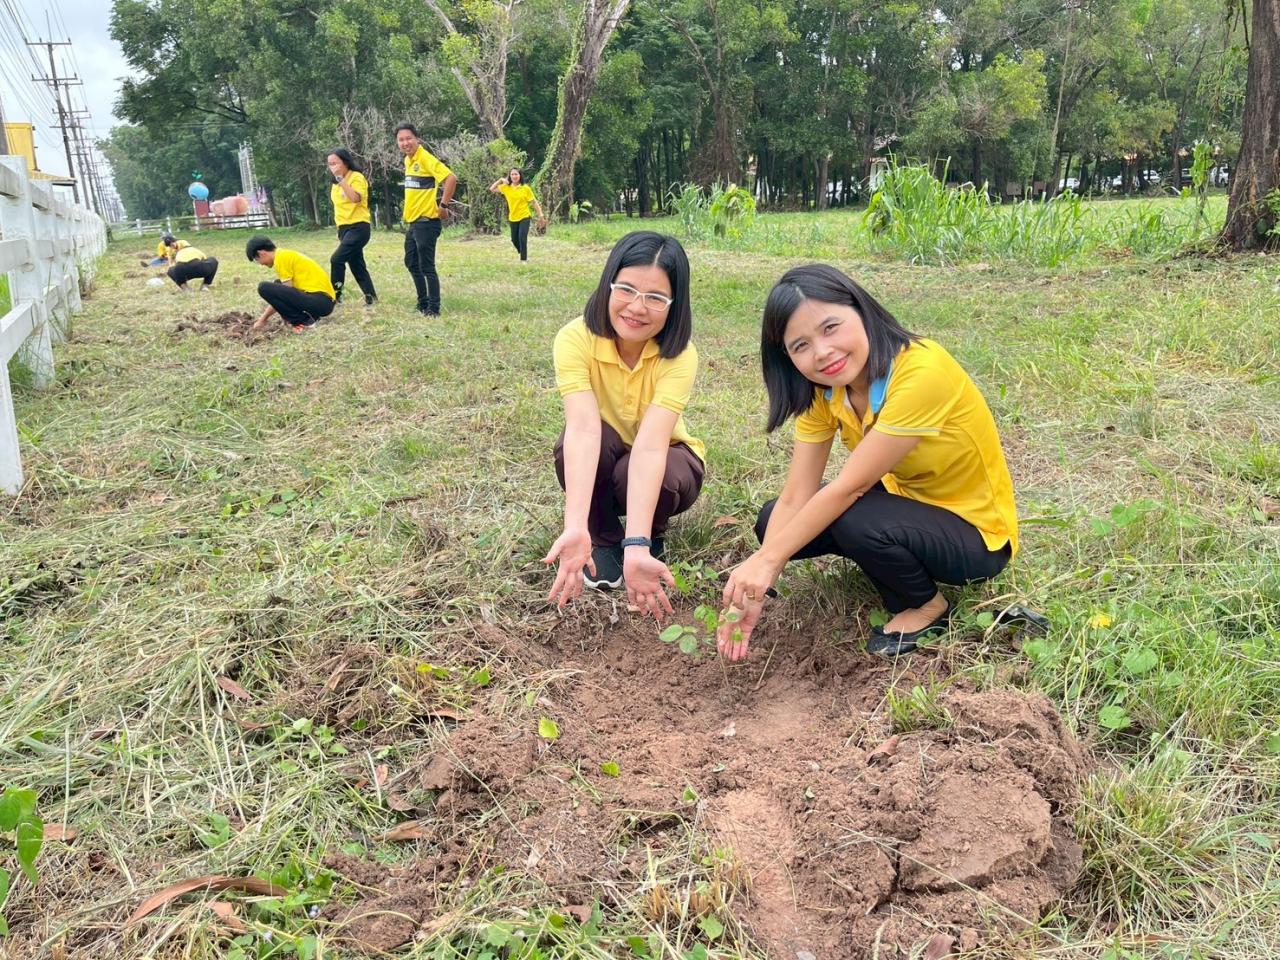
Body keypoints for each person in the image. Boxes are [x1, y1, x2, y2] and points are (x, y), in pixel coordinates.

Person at [718, 264, 1018, 660]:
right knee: (773, 518)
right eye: (800, 346)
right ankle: (892, 558)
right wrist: (759, 581)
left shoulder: (922, 371)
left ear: (860, 309)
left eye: (830, 327)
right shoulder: (826, 391)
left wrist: (770, 561)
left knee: (850, 513)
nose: (822, 352)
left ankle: (927, 607)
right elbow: (796, 495)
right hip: (907, 506)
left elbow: (851, 488)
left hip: (977, 536)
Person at [544, 231, 704, 621]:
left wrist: (638, 543)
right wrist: (575, 525)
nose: (637, 307)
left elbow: (651, 446)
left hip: (665, 458)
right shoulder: (574, 339)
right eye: (627, 289)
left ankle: (648, 535)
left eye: (656, 297)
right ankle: (601, 536)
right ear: (608, 284)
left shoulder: (680, 356)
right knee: (574, 445)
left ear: (674, 305)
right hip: (605, 452)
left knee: (650, 471)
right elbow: (583, 429)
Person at [395, 123, 457, 316]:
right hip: (414, 222)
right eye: (401, 140)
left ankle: (433, 309)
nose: (405, 143)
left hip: (427, 222)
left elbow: (451, 178)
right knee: (411, 262)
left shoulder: (425, 158)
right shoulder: (408, 160)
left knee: (426, 266)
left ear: (417, 139)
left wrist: (443, 206)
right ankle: (423, 302)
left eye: (408, 138)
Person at [245, 235, 336, 333]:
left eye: (256, 260)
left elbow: (285, 295)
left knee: (264, 288)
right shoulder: (284, 254)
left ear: (261, 253)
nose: (260, 264)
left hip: (321, 302)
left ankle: (303, 321)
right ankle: (311, 316)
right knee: (278, 284)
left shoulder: (281, 258)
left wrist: (263, 319)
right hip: (323, 301)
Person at [326, 147, 377, 306]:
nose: (332, 167)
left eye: (335, 163)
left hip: (358, 227)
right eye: (330, 164)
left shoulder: (356, 177)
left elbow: (355, 198)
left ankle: (335, 297)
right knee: (356, 264)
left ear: (345, 162)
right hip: (344, 229)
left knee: (336, 259)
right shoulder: (335, 184)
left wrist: (341, 179)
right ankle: (371, 297)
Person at [488, 168, 546, 261]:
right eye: (512, 174)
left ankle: (523, 259)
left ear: (520, 176)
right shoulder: (506, 187)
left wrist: (541, 215)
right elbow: (492, 189)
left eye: (516, 174)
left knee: (522, 237)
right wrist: (501, 180)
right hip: (513, 217)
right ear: (510, 176)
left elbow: (534, 202)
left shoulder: (525, 188)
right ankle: (521, 251)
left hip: (524, 216)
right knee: (514, 240)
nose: (514, 176)